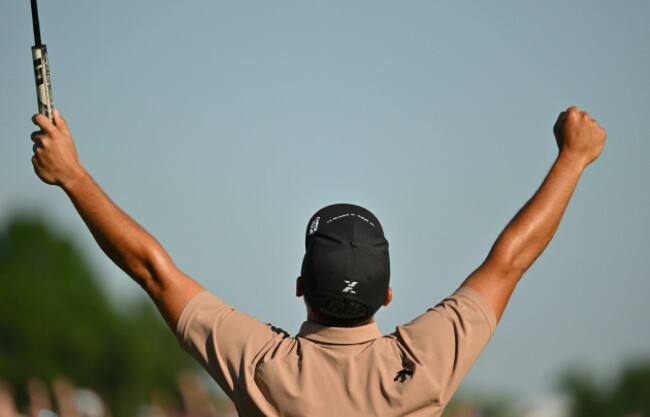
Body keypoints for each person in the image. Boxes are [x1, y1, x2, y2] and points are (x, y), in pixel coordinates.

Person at [30, 106, 606, 416]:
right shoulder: (424, 366)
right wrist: (572, 159)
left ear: (301, 285)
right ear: (386, 294)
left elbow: (151, 269)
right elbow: (509, 262)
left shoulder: (263, 367)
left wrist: (73, 176)